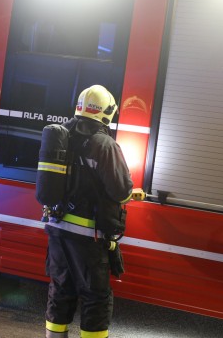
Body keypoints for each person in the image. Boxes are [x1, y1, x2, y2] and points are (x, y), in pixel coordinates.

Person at [44, 84, 133, 338]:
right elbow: (122, 192)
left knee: (60, 290)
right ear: (106, 112)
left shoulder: (61, 136)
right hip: (88, 238)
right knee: (96, 299)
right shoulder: (105, 145)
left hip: (57, 230)